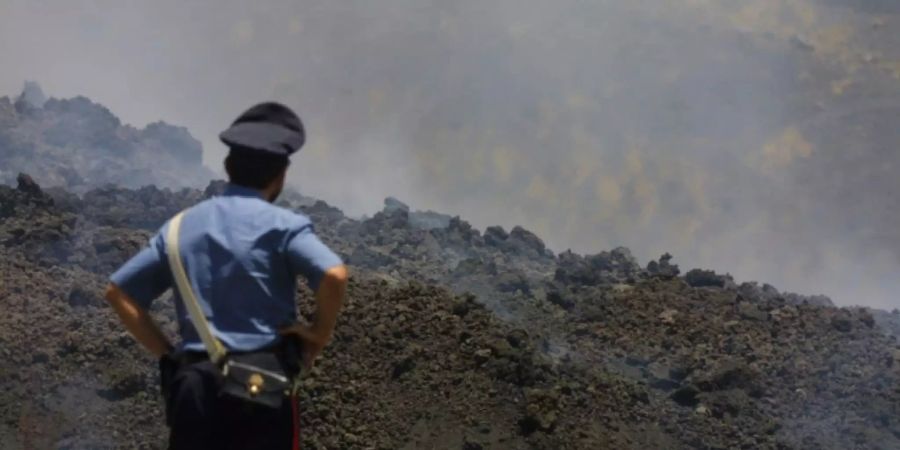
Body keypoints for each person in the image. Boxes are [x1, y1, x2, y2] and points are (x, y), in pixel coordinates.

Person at [103, 102, 348, 449]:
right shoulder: (284, 227)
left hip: (195, 390)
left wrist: (168, 354)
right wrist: (318, 335)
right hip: (263, 388)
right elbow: (334, 276)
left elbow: (119, 293)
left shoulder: (179, 228)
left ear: (228, 166)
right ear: (280, 176)